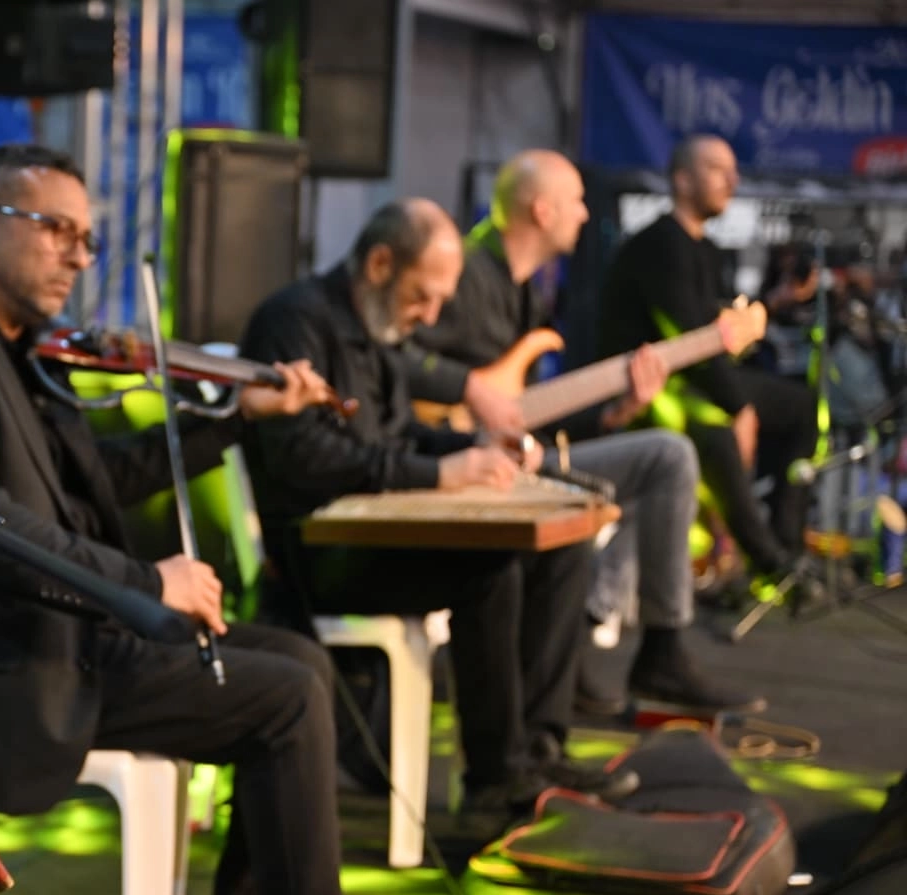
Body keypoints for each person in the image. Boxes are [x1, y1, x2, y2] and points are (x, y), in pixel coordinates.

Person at [0, 143, 374, 895]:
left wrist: (237, 415)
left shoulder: (8, 340)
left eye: (86, 239)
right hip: (10, 661)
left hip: (64, 629)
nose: (80, 257)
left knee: (300, 661)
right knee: (287, 698)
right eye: (57, 231)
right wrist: (148, 584)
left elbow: (97, 477)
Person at [238, 197, 640, 822]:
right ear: (379, 264)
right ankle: (495, 779)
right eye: (421, 297)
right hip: (316, 551)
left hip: (373, 533)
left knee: (559, 551)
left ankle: (539, 749)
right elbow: (306, 458)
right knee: (489, 572)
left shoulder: (377, 327)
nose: (429, 317)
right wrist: (440, 473)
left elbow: (400, 434)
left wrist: (478, 449)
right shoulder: (293, 321)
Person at [402, 150, 765, 715]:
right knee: (665, 458)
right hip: (454, 462)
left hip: (512, 458)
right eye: (575, 201)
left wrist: (617, 410)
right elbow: (395, 359)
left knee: (664, 458)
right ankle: (582, 644)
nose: (585, 213)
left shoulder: (524, 291)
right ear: (541, 210)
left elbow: (525, 413)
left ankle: (633, 644)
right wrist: (467, 389)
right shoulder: (466, 276)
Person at [598, 134, 819, 585]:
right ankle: (766, 562)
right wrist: (739, 408)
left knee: (803, 407)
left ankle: (787, 544)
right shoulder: (661, 245)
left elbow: (721, 330)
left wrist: (774, 302)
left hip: (697, 379)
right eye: (718, 169)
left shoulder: (706, 249)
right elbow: (690, 342)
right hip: (653, 389)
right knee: (717, 435)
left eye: (733, 170)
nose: (732, 180)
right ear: (682, 180)